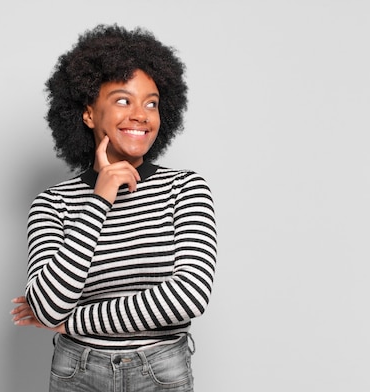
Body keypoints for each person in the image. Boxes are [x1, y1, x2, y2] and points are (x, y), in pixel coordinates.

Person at [11, 24, 217, 392]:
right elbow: (46, 308)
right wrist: (99, 200)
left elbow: (188, 295)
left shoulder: (185, 189)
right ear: (89, 113)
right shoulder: (52, 203)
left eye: (151, 103)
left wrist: (73, 323)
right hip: (77, 373)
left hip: (161, 372)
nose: (141, 114)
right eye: (123, 100)